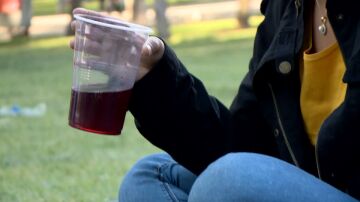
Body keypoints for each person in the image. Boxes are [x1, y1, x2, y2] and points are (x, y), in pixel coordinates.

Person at [69, 0, 360, 200]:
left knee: (226, 181)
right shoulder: (289, 9)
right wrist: (154, 76)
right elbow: (241, 146)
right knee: (150, 177)